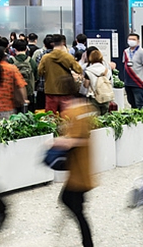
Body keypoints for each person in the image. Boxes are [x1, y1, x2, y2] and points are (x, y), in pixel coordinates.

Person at [53, 96, 97, 247]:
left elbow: (80, 137)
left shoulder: (77, 112)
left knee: (72, 205)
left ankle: (88, 242)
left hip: (79, 173)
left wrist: (64, 142)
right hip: (79, 171)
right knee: (72, 203)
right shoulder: (82, 110)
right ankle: (86, 241)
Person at [37, 34, 82, 114]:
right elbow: (78, 70)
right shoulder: (68, 56)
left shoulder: (46, 57)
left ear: (52, 43)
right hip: (65, 90)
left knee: (50, 117)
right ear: (63, 43)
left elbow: (40, 72)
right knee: (66, 116)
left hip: (50, 90)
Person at [0, 47, 26, 119]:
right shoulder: (12, 69)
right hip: (9, 108)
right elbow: (20, 86)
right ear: (5, 57)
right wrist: (23, 101)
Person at [123, 33, 143, 109]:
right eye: (130, 39)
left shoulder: (142, 52)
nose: (131, 41)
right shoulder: (125, 51)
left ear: (138, 41)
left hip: (138, 81)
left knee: (139, 103)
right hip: (128, 81)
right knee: (131, 101)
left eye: (134, 39)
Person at [8, 39, 37, 108]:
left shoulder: (11, 61)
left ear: (14, 49)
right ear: (26, 49)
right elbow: (36, 77)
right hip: (29, 93)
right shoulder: (31, 61)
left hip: (15, 94)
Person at [82, 49, 112, 115]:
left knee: (94, 119)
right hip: (105, 97)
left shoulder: (88, 71)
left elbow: (86, 85)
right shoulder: (107, 71)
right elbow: (110, 83)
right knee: (105, 118)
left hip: (93, 97)